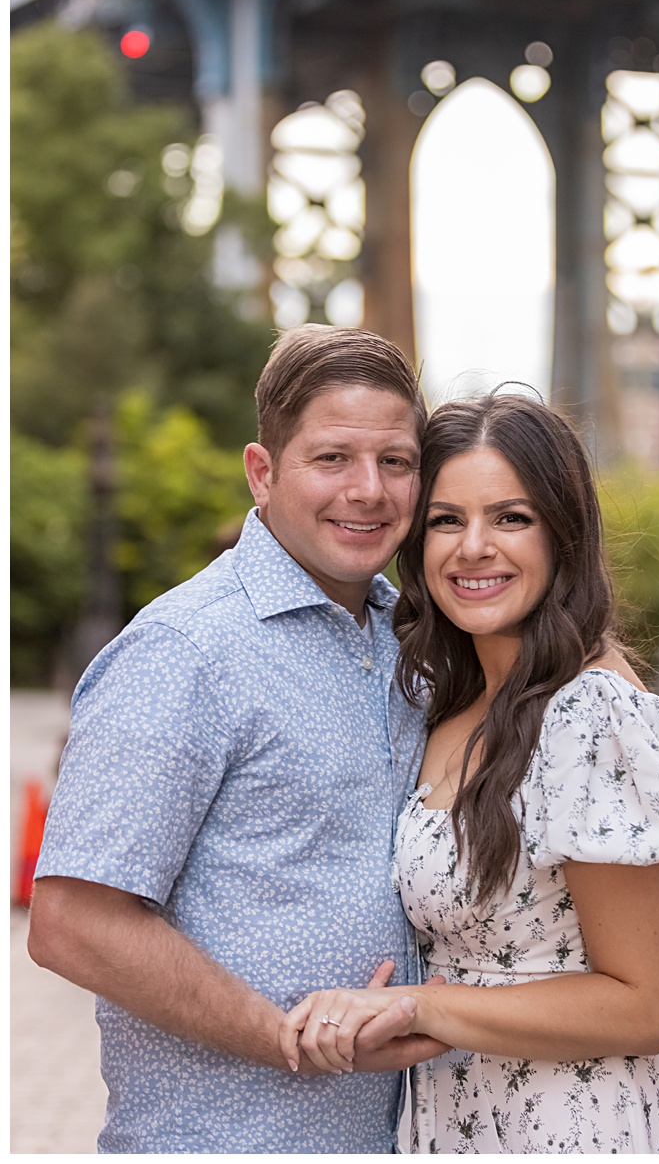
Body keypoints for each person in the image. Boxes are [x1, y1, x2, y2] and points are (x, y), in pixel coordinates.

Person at [29, 326, 444, 1151]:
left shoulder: (409, 643)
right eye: (332, 458)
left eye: (395, 461)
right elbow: (71, 919)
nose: (368, 489)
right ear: (263, 473)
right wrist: (287, 1037)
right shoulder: (185, 651)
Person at [276, 392, 659, 1153]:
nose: (473, 546)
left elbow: (644, 1008)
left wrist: (421, 1008)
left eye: (510, 518)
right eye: (447, 520)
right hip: (453, 1117)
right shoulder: (443, 705)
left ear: (562, 536)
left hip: (574, 1123)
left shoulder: (592, 714)